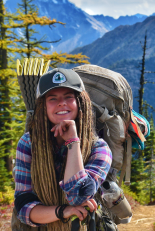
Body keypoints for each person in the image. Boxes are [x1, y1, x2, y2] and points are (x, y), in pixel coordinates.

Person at [13, 68, 112, 230]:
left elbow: (78, 196)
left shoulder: (99, 149)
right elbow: (23, 207)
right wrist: (63, 211)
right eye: (52, 99)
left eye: (68, 97)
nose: (61, 103)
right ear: (43, 107)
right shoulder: (28, 143)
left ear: (80, 104)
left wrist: (73, 142)